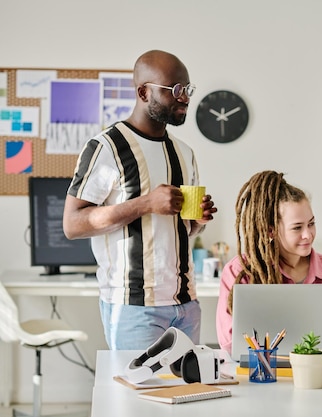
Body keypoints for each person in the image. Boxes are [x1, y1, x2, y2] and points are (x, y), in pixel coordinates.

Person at [63, 50, 217, 350]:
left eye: (187, 89)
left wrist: (197, 223)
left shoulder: (185, 153)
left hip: (187, 305)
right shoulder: (106, 148)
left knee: (185, 395)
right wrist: (146, 203)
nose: (184, 97)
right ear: (144, 92)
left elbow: (181, 231)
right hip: (134, 308)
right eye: (174, 89)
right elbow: (72, 224)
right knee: (137, 397)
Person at [215, 170, 322, 363]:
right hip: (264, 374)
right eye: (297, 228)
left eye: (311, 223)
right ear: (271, 230)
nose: (308, 234)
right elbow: (230, 340)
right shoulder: (240, 271)